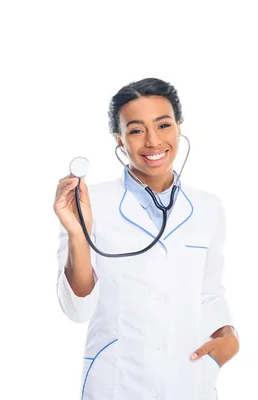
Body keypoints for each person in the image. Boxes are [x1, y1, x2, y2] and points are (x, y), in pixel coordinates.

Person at [53, 78, 239, 400]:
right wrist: (77, 234)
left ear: (179, 128)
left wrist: (227, 337)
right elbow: (78, 310)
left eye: (163, 125)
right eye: (136, 130)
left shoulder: (209, 208)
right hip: (117, 383)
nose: (153, 141)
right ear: (119, 140)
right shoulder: (89, 204)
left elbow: (208, 293)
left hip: (188, 381)